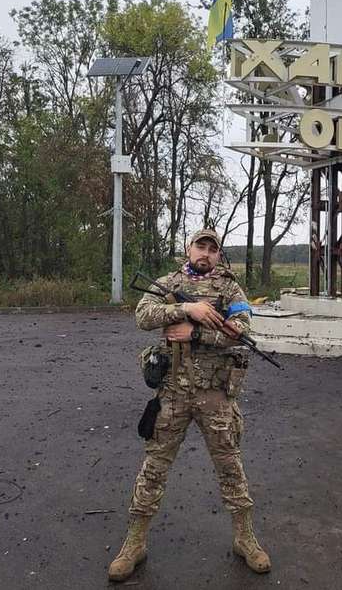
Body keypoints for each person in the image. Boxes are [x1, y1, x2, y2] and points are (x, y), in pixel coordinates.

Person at [108, 229, 271, 582]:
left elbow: (241, 329)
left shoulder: (230, 289)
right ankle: (135, 543)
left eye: (214, 249)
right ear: (189, 248)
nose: (207, 253)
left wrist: (194, 333)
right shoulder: (168, 282)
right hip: (172, 393)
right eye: (201, 246)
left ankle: (245, 538)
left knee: (231, 468)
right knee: (154, 467)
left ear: (218, 256)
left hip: (216, 395)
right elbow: (143, 315)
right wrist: (186, 308)